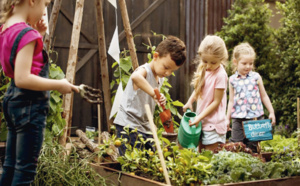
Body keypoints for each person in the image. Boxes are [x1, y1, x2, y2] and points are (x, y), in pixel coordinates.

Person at [0, 0, 79, 185]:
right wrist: (59, 84)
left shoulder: (6, 29)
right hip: (29, 107)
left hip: (13, 102)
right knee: (25, 170)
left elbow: (15, 67)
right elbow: (23, 78)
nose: (45, 10)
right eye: (45, 4)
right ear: (32, 1)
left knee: (10, 165)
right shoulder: (27, 34)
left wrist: (40, 35)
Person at [114, 36, 186, 155]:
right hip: (128, 125)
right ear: (155, 56)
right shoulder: (144, 70)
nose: (167, 73)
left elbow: (149, 97)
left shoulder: (160, 78)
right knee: (132, 165)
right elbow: (135, 77)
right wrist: (154, 93)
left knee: (148, 163)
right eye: (166, 67)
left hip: (145, 127)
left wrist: (158, 99)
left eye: (172, 71)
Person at [226, 43, 275, 152]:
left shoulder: (256, 77)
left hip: (255, 118)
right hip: (238, 118)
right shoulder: (232, 79)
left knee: (253, 147)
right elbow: (231, 101)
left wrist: (271, 112)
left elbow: (264, 96)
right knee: (236, 145)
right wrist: (227, 118)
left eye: (250, 63)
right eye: (244, 63)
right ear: (235, 62)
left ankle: (254, 167)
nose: (248, 66)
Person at [183, 35, 228, 151]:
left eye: (213, 62)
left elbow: (216, 102)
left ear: (221, 58)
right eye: (205, 61)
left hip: (213, 124)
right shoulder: (205, 68)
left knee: (210, 157)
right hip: (202, 121)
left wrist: (199, 117)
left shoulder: (220, 75)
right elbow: (199, 88)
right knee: (200, 155)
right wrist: (190, 101)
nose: (208, 65)